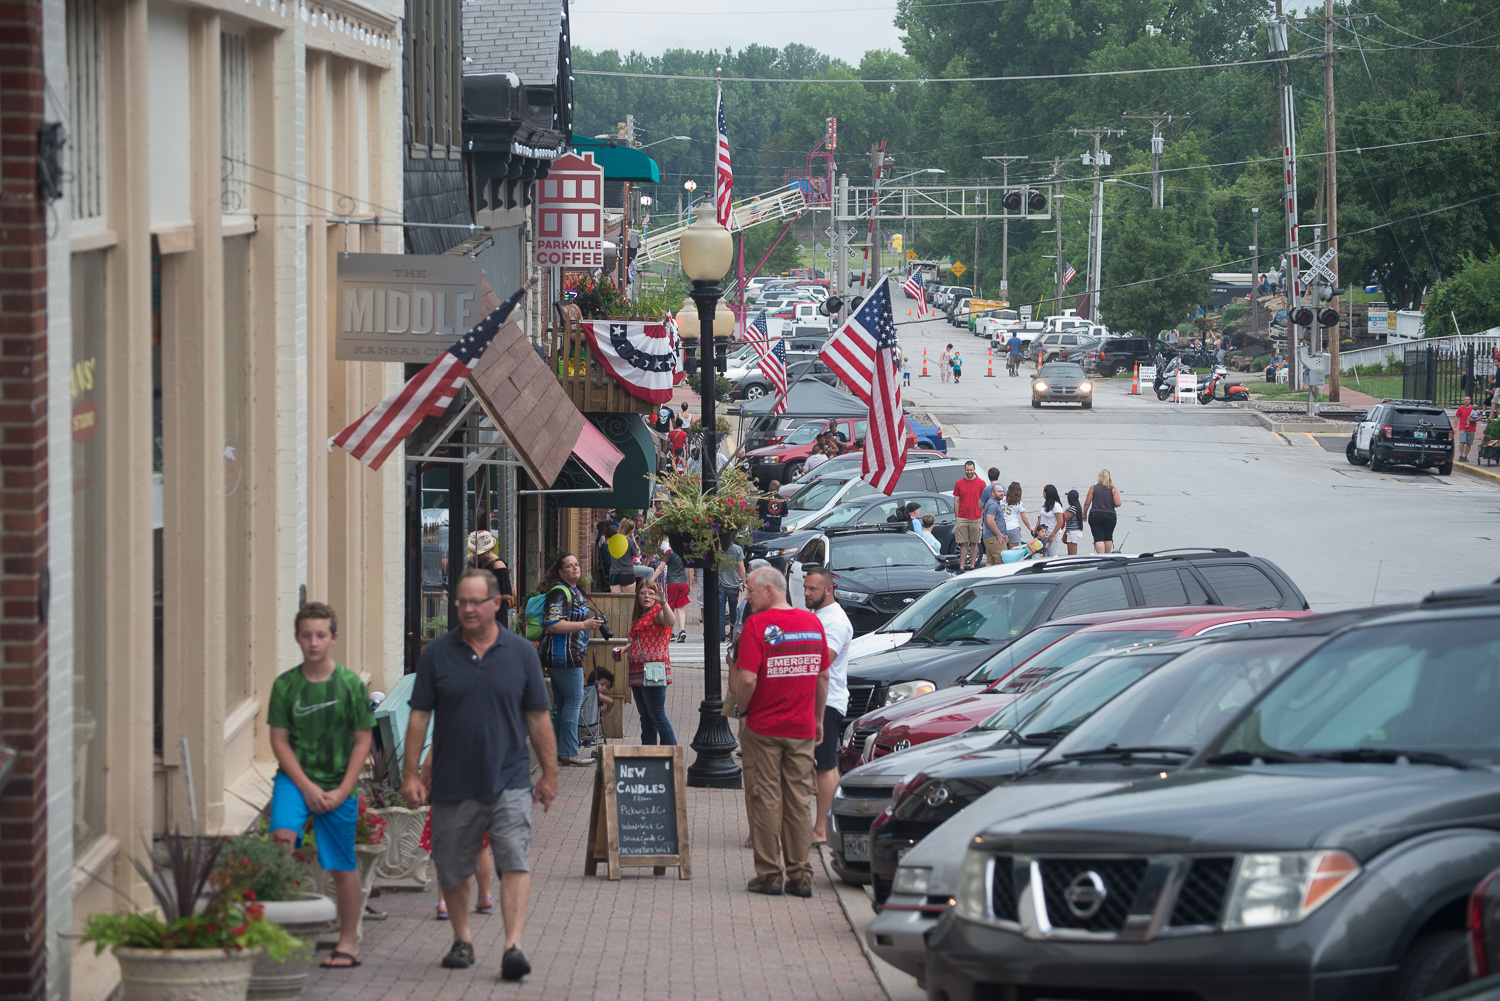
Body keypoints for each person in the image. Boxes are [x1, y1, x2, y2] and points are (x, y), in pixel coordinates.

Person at [402, 569, 556, 980]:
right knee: (452, 866)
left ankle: (513, 947)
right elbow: (419, 715)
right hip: (452, 780)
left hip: (509, 778)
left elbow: (539, 718)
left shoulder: (521, 652)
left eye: (476, 602)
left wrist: (550, 775)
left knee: (514, 860)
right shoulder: (437, 654)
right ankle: (462, 938)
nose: (468, 610)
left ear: (496, 603)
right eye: (462, 603)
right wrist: (412, 774)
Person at [267, 602, 375, 969]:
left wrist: (344, 790)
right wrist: (305, 787)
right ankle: (278, 932)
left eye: (321, 635)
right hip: (295, 781)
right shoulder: (286, 685)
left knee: (342, 863)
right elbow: (279, 741)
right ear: (297, 638)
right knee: (281, 840)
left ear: (333, 638)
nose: (313, 643)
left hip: (338, 783)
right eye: (306, 636)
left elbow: (362, 739)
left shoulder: (348, 685)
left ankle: (348, 941)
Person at [735, 566, 830, 897]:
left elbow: (747, 678)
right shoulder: (812, 624)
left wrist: (743, 711)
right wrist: (817, 719)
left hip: (763, 727)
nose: (747, 598)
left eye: (750, 591)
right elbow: (822, 677)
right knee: (799, 801)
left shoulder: (757, 625)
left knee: (764, 798)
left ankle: (770, 874)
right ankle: (801, 874)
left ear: (769, 591)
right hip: (802, 727)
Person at [539, 554, 602, 767]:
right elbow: (553, 624)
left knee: (562, 704)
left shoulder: (574, 591)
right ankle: (568, 751)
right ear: (560, 571)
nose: (575, 568)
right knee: (574, 702)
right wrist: (585, 625)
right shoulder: (559, 592)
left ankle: (557, 749)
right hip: (563, 655)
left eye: (577, 564)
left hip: (568, 654)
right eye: (569, 566)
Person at [805, 566, 852, 847]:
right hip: (819, 698)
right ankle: (823, 828)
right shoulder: (819, 615)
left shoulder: (835, 621)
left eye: (813, 589)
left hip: (827, 701)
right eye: (806, 588)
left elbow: (822, 661)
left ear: (829, 589)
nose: (807, 593)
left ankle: (822, 830)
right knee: (826, 764)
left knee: (825, 765)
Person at [624, 578, 677, 745]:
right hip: (637, 670)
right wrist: (623, 649)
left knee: (656, 713)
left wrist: (663, 603)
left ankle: (671, 751)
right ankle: (649, 753)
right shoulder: (639, 617)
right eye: (642, 593)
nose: (646, 596)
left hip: (654, 668)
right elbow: (635, 641)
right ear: (637, 596)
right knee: (645, 715)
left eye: (651, 593)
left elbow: (670, 621)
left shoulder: (657, 613)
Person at [466, 531, 514, 615]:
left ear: (488, 550)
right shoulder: (478, 560)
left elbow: (507, 595)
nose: (475, 555)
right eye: (473, 551)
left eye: (479, 553)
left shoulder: (498, 565)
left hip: (494, 615)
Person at [952, 461, 987, 571]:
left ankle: (972, 566)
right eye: (968, 470)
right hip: (962, 518)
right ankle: (961, 566)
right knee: (963, 543)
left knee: (974, 543)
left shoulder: (981, 483)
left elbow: (984, 501)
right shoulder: (959, 483)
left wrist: (981, 514)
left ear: (974, 469)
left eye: (971, 470)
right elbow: (956, 501)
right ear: (964, 470)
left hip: (976, 518)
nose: (969, 472)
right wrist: (957, 516)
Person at [1081, 469, 1122, 554]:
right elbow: (1118, 503)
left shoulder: (1093, 488)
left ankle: (1101, 556)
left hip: (1096, 515)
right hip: (1110, 516)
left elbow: (1087, 503)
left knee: (1098, 537)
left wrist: (1084, 513)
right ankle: (1107, 556)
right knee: (1108, 537)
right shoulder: (1113, 489)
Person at [718, 539, 748, 643]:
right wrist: (744, 582)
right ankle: (732, 633)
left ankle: (721, 635)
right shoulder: (737, 549)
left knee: (720, 611)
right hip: (733, 584)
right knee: (733, 610)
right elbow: (741, 567)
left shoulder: (718, 548)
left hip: (720, 583)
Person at [662, 545, 691, 643]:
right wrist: (690, 584)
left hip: (672, 583)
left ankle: (671, 632)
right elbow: (690, 569)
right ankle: (682, 630)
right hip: (683, 582)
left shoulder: (669, 552)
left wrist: (651, 579)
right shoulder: (685, 552)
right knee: (681, 607)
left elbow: (661, 567)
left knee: (670, 607)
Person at [608, 519, 640, 593]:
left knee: (616, 602)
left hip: (614, 574)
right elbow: (637, 554)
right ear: (632, 531)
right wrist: (634, 540)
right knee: (628, 602)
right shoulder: (630, 542)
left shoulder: (613, 541)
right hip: (627, 573)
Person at [981, 481, 1007, 563]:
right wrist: (999, 534)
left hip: (991, 538)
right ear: (992, 493)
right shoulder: (993, 505)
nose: (1002, 493)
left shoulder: (995, 503)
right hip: (994, 538)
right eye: (999, 492)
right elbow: (989, 521)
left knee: (990, 563)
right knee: (1001, 562)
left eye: (1002, 491)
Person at [1037, 484, 1065, 556]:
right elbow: (1041, 517)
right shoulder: (1045, 504)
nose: (1043, 494)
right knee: (1044, 555)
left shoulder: (1056, 505)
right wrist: (1036, 529)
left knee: (1052, 556)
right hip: (1043, 534)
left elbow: (1060, 521)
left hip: (1053, 534)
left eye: (1044, 492)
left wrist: (1052, 535)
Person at [1002, 481, 1032, 550]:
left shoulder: (1002, 499)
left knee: (1003, 551)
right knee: (1013, 552)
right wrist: (1030, 527)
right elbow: (1024, 518)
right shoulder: (1019, 503)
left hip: (1002, 528)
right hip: (1013, 528)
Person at [1063, 489, 1084, 556]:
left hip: (1073, 532)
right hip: (1072, 532)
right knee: (1070, 551)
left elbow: (1065, 518)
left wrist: (1065, 512)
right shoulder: (1077, 507)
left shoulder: (1073, 508)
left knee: (1072, 555)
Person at [1458, 395, 1478, 464]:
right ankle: (1460, 455)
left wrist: (1473, 420)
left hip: (1471, 428)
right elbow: (1457, 417)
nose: (1466, 401)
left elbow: (1479, 416)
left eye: (1468, 399)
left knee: (1469, 443)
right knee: (1462, 441)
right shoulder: (1460, 408)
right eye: (1465, 399)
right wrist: (1454, 427)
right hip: (1462, 427)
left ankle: (1465, 456)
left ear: (1470, 400)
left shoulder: (1474, 408)